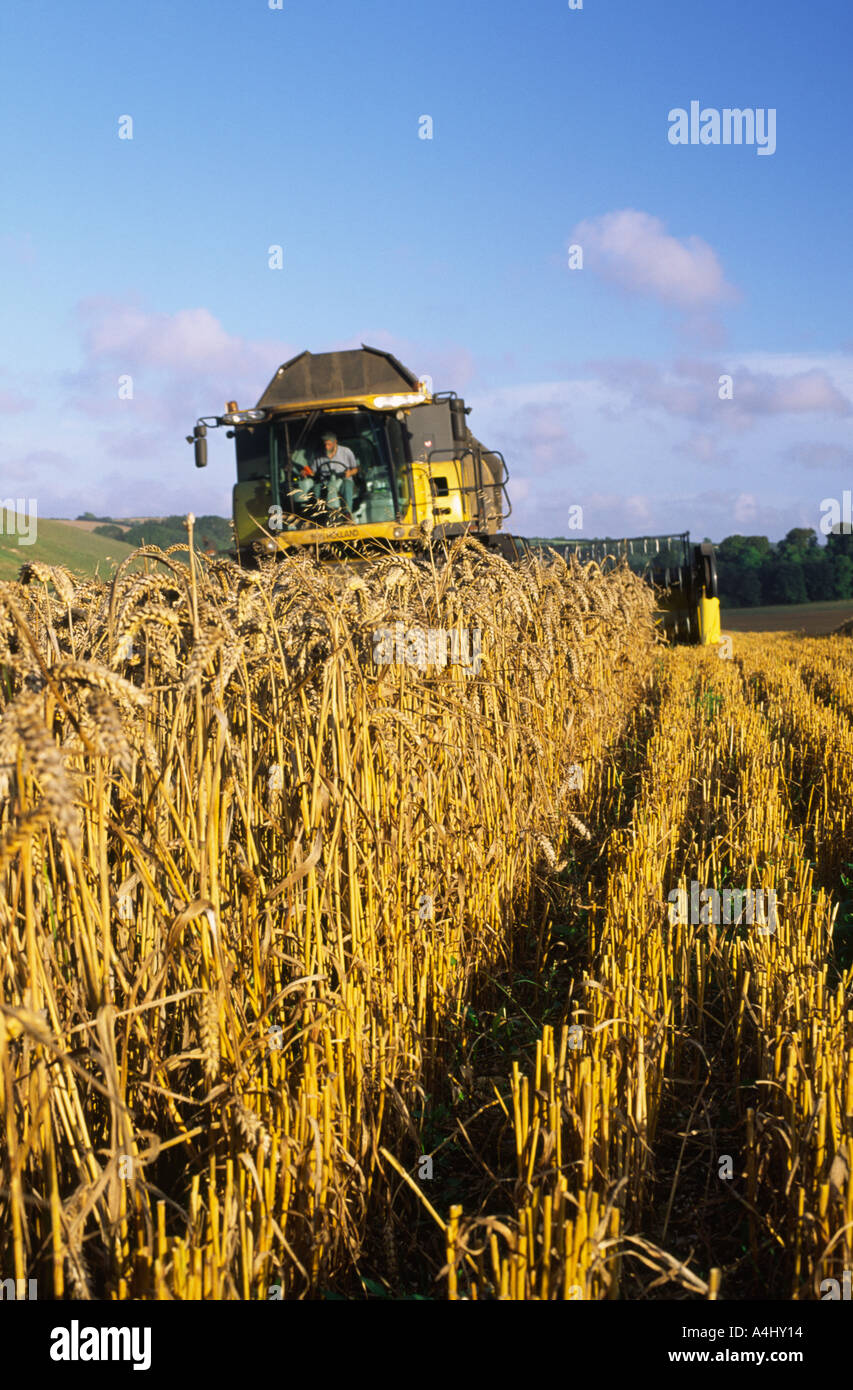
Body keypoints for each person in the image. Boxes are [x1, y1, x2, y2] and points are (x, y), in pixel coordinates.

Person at [306, 432, 359, 517]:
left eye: (329, 444)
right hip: (325, 482)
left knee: (347, 486)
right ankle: (319, 515)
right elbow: (313, 471)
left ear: (335, 442)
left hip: (342, 480)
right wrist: (306, 472)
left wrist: (350, 472)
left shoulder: (346, 451)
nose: (326, 447)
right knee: (316, 489)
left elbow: (356, 469)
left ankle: (347, 514)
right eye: (325, 444)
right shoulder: (318, 455)